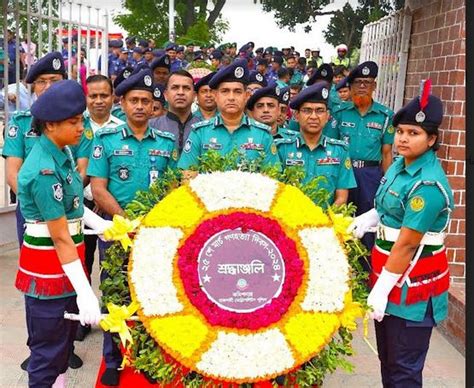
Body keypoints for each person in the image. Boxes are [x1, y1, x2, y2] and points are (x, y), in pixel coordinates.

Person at [349, 88, 453, 387]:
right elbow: (388, 207)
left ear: (431, 139)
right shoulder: (400, 165)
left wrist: (380, 290)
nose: (403, 139)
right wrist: (366, 219)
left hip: (412, 288)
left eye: (414, 133)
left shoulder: (428, 185)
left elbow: (407, 244)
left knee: (404, 370)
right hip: (389, 274)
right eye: (400, 131)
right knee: (389, 362)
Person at [87, 69, 178, 386]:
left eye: (146, 100)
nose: (140, 106)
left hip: (155, 234)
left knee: (153, 295)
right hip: (116, 234)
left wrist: (152, 223)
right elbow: (98, 189)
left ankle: (149, 357)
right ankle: (113, 360)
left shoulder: (167, 143)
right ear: (121, 103)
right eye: (133, 100)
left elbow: (173, 188)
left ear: (155, 106)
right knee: (115, 294)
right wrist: (127, 222)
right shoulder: (105, 140)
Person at [15, 79, 103, 388]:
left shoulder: (60, 153)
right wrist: (86, 292)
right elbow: (60, 236)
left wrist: (101, 226)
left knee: (62, 348)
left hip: (66, 270)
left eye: (81, 120)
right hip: (48, 275)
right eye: (74, 121)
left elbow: (72, 206)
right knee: (46, 354)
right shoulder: (43, 169)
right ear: (51, 125)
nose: (81, 127)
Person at [328, 61, 394, 258]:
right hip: (342, 174)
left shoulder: (385, 115)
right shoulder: (339, 113)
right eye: (358, 82)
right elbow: (331, 146)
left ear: (374, 86)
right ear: (350, 87)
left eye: (367, 82)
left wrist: (387, 184)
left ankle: (366, 267)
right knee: (340, 218)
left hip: (370, 175)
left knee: (368, 222)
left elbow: (387, 152)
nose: (363, 86)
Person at [178, 59, 279, 174]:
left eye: (237, 91)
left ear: (246, 96)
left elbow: (272, 178)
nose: (231, 97)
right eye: (225, 91)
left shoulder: (263, 134)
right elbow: (187, 175)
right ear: (215, 96)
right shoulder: (200, 132)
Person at [275, 82, 356, 207]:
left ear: (328, 116)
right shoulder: (281, 148)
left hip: (327, 222)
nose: (314, 116)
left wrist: (324, 222)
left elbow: (341, 198)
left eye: (319, 111)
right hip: (288, 221)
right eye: (307, 111)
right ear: (296, 115)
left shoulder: (340, 151)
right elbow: (274, 193)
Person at [149, 69, 201, 154]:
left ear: (194, 96)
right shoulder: (151, 127)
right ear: (165, 95)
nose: (180, 92)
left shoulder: (203, 129)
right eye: (175, 88)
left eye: (186, 88)